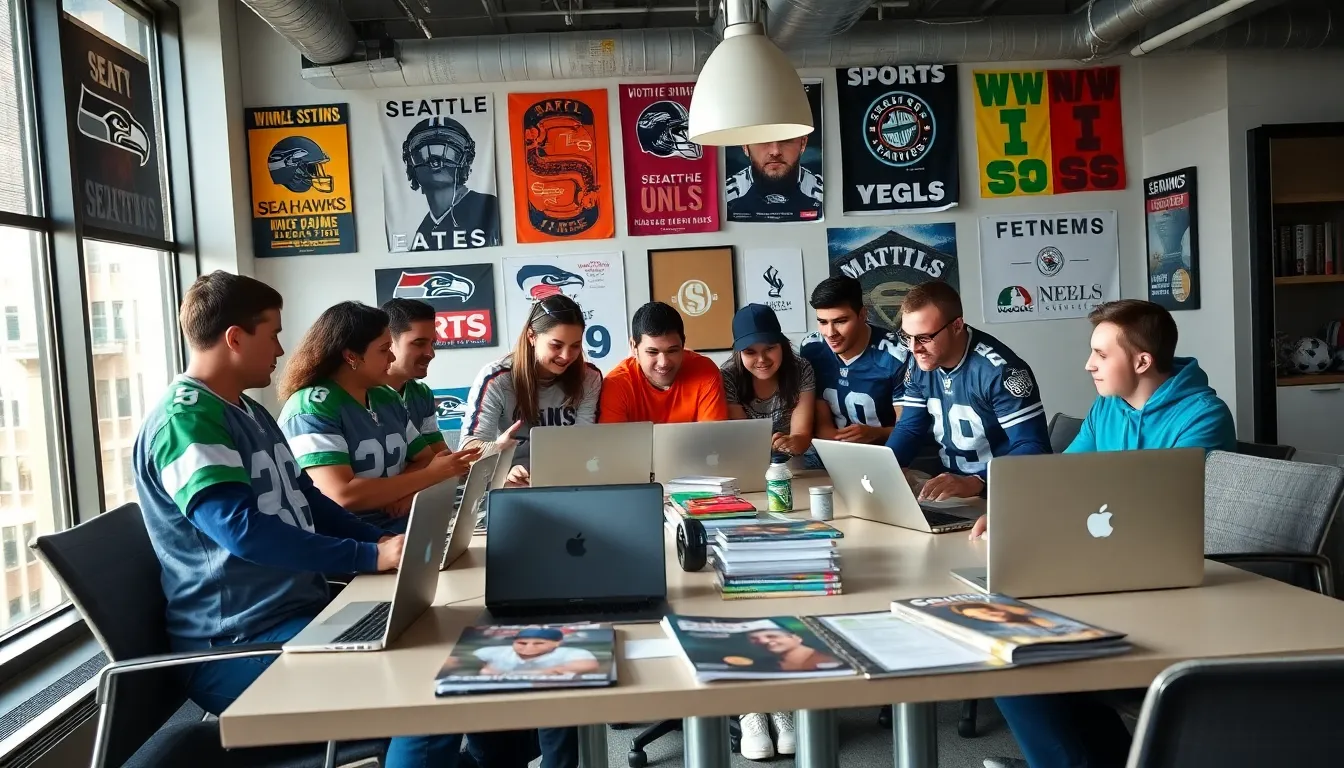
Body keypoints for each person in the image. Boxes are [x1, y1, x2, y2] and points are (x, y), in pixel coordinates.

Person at [132, 272, 465, 768]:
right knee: (425, 697)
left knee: (437, 647)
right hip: (237, 645)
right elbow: (241, 531)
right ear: (235, 337)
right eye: (272, 334)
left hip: (300, 616)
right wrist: (368, 555)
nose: (282, 348)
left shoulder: (249, 410)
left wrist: (384, 544)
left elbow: (308, 498)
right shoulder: (186, 420)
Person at [982, 299, 1235, 768]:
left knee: (1015, 659)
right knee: (1001, 649)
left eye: (1101, 354)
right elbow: (1064, 482)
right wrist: (1013, 511)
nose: (1088, 364)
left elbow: (1162, 516)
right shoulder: (1106, 410)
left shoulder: (1203, 417)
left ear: (1141, 361)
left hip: (1174, 594)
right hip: (1108, 577)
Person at [278, 301, 480, 534]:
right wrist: (427, 477)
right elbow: (342, 494)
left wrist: (403, 488)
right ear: (352, 356)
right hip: (348, 541)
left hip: (402, 527)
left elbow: (425, 458)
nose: (391, 359)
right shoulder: (312, 407)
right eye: (384, 350)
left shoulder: (386, 397)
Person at [886, 281, 1051, 501]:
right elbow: (909, 429)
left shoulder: (1000, 371)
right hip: (949, 490)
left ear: (956, 326)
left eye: (925, 337)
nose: (914, 348)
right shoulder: (921, 360)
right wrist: (884, 470)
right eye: (907, 336)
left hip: (1005, 492)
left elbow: (1034, 448)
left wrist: (977, 480)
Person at [459, 293, 602, 486]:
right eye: (556, 345)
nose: (567, 356)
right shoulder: (497, 379)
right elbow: (469, 450)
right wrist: (501, 462)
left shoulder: (589, 378)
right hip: (514, 484)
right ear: (531, 336)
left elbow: (584, 442)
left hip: (569, 481)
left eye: (575, 346)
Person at [800, 276, 910, 452]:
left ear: (862, 315)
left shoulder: (896, 355)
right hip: (834, 453)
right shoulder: (812, 348)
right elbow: (822, 424)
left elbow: (910, 430)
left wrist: (877, 433)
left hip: (891, 455)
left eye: (840, 321)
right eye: (822, 322)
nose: (830, 333)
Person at [598, 301, 728, 424]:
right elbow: (614, 446)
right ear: (634, 347)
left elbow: (712, 441)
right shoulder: (617, 384)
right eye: (652, 352)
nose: (663, 363)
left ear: (683, 344)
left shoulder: (705, 372)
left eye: (672, 351)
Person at [721, 303, 816, 460]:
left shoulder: (801, 369)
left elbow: (802, 435)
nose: (761, 360)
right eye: (750, 352)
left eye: (769, 349)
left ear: (782, 345)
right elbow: (744, 440)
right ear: (739, 353)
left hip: (797, 462)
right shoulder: (728, 377)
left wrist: (794, 441)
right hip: (749, 461)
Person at [402, 116, 501, 250]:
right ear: (410, 164)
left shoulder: (490, 208)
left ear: (465, 161)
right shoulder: (424, 230)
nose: (435, 161)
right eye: (424, 152)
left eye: (448, 151)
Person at [382, 298, 447, 451]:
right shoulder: (361, 395)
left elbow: (438, 454)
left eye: (432, 344)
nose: (431, 354)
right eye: (419, 343)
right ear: (387, 343)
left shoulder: (422, 393)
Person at [725, 137, 823, 221]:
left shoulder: (824, 197)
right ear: (745, 146)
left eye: (786, 139)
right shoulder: (724, 199)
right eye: (763, 139)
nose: (775, 152)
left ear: (803, 143)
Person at [475, 627, 600, 676]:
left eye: (538, 643)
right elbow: (466, 662)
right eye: (522, 643)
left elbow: (589, 665)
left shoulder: (572, 652)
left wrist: (506, 674)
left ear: (557, 643)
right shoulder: (493, 651)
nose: (529, 647)